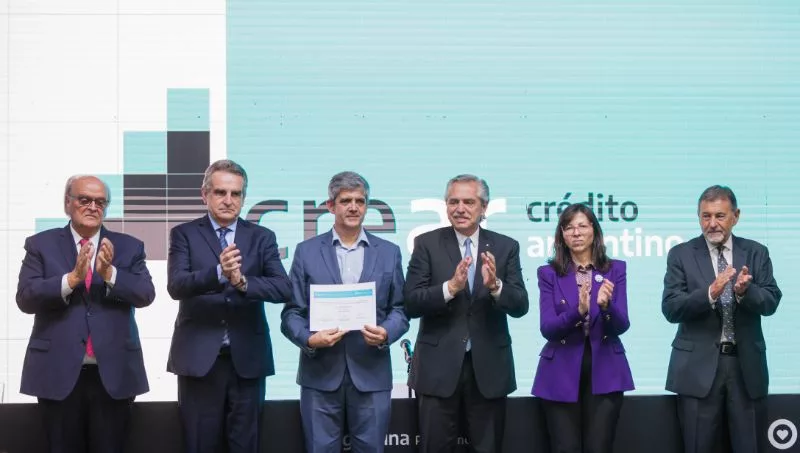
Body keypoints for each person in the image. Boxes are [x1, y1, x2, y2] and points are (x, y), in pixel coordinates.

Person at [16, 175, 155, 453]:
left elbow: (145, 294)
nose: (93, 207)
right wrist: (71, 280)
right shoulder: (40, 244)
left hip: (113, 374)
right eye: (84, 200)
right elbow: (26, 298)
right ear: (67, 203)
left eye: (100, 202)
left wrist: (109, 273)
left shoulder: (129, 246)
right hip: (57, 372)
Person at [166, 159, 292, 453]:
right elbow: (176, 285)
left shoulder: (262, 237)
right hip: (198, 359)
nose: (228, 200)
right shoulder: (184, 234)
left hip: (247, 358)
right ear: (205, 195)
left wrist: (243, 282)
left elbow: (283, 288)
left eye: (236, 194)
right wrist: (218, 272)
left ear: (243, 198)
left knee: (245, 444)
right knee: (199, 444)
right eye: (220, 192)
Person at [280, 171, 409, 453]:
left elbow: (400, 309)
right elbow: (291, 313)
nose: (353, 207)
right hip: (320, 374)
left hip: (372, 373)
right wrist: (309, 339)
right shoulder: (306, 252)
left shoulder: (389, 252)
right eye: (345, 201)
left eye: (360, 201)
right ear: (330, 206)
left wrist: (386, 332)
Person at [404, 174, 529, 453]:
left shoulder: (506, 246)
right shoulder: (426, 244)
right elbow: (410, 303)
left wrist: (496, 286)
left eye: (468, 202)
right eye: (453, 202)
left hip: (489, 368)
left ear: (484, 207)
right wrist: (449, 288)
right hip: (437, 369)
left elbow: (521, 305)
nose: (460, 208)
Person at [662, 185, 782, 453]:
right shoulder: (681, 254)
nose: (712, 223)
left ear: (735, 216)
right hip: (696, 371)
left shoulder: (756, 252)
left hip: (746, 368)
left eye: (720, 215)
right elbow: (671, 308)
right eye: (706, 216)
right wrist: (710, 293)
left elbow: (771, 301)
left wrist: (745, 292)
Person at [532, 203, 634, 453]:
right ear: (562, 235)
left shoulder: (615, 269)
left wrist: (607, 307)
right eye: (569, 228)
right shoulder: (548, 273)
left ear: (594, 231)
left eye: (582, 226)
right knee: (564, 447)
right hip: (560, 370)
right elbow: (548, 328)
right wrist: (577, 312)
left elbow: (622, 325)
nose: (576, 233)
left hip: (606, 368)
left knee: (599, 447)